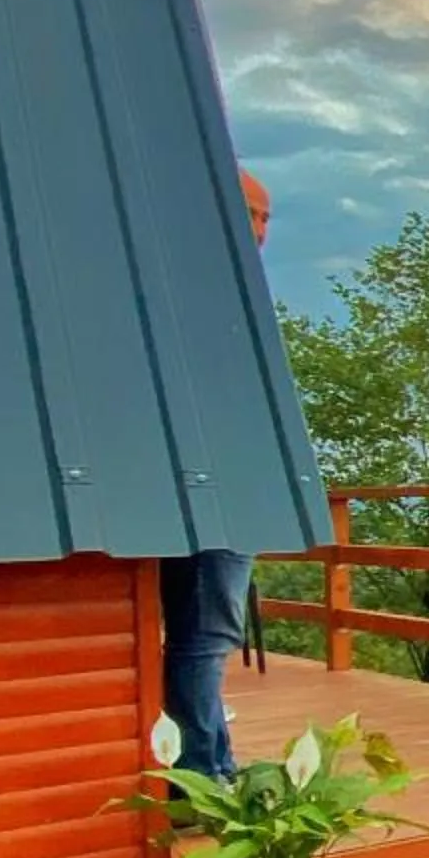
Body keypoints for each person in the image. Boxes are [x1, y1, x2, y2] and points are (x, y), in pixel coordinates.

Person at [159, 170, 272, 779]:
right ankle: (203, 775)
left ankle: (206, 762)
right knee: (205, 635)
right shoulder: (203, 293)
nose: (260, 229)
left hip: (226, 487)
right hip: (212, 492)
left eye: (266, 218)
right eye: (251, 213)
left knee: (205, 637)